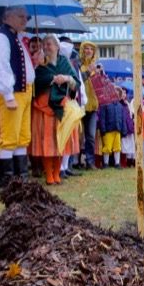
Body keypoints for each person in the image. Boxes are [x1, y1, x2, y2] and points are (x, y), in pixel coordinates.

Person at [0, 6, 35, 185]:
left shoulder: (16, 38)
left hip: (24, 91)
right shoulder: (1, 37)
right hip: (13, 92)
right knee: (9, 137)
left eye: (26, 17)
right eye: (21, 16)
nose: (25, 20)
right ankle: (7, 179)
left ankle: (21, 177)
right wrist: (7, 94)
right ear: (7, 18)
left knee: (22, 136)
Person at [28, 35, 79, 185]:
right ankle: (49, 174)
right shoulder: (41, 63)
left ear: (57, 47)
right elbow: (36, 81)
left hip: (62, 104)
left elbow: (75, 82)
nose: (46, 47)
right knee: (47, 140)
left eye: (49, 44)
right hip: (45, 104)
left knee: (60, 141)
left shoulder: (65, 62)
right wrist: (52, 78)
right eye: (44, 44)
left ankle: (57, 172)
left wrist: (67, 79)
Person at [77, 41, 101, 169]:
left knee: (91, 136)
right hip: (80, 105)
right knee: (78, 135)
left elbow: (101, 87)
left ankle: (90, 162)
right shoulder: (78, 65)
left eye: (91, 49)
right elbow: (78, 81)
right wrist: (89, 72)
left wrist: (100, 74)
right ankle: (75, 161)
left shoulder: (96, 67)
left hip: (93, 106)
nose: (88, 51)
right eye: (85, 48)